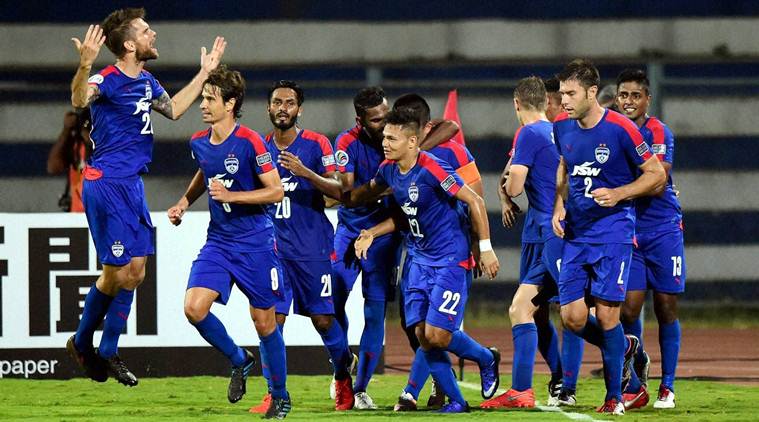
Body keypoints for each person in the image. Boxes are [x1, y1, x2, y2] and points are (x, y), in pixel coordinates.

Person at [65, 7, 226, 387]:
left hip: (132, 184)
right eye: (145, 31)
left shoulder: (147, 81)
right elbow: (79, 100)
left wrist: (204, 74)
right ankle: (83, 343)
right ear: (129, 45)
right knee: (116, 272)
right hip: (106, 184)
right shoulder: (106, 79)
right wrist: (85, 65)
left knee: (136, 272)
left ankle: (107, 350)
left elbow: (174, 110)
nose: (153, 34)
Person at [349, 108, 501, 414]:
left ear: (412, 142)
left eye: (392, 139)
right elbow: (393, 210)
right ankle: (457, 401)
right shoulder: (389, 170)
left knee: (437, 335)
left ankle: (486, 358)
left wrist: (485, 248)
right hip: (418, 260)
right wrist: (369, 231)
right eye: (384, 137)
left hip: (450, 260)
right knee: (422, 335)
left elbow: (475, 200)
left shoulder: (433, 169)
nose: (385, 143)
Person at [167, 66, 291, 419]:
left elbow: (276, 191)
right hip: (219, 242)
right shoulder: (198, 142)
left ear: (231, 103)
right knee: (194, 308)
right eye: (203, 98)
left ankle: (280, 397)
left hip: (256, 243)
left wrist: (232, 196)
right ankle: (239, 359)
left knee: (264, 323)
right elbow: (205, 172)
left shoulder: (251, 142)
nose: (203, 105)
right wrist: (184, 202)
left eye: (210, 98)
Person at [551, 59, 666, 415]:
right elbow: (565, 167)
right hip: (576, 233)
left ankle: (615, 396)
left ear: (591, 92)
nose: (563, 100)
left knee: (607, 317)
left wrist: (619, 193)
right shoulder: (561, 127)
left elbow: (656, 174)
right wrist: (559, 205)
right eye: (561, 93)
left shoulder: (621, 128)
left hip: (613, 233)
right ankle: (627, 347)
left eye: (570, 94)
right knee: (572, 317)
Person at [249, 80, 354, 413]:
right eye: (277, 102)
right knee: (272, 321)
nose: (283, 108)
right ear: (268, 108)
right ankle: (274, 393)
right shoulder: (257, 147)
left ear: (299, 109)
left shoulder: (316, 144)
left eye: (290, 103)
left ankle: (343, 374)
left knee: (323, 320)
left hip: (313, 249)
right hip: (273, 251)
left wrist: (305, 172)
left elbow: (339, 190)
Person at [481, 76, 564, 409]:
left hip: (547, 234)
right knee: (540, 313)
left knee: (525, 309)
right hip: (541, 231)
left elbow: (513, 185)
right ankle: (558, 379)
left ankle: (522, 390)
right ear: (546, 101)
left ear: (517, 104)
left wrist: (507, 192)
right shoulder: (555, 131)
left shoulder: (528, 133)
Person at [616, 68, 685, 410]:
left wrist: (618, 189)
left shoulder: (658, 131)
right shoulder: (611, 131)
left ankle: (667, 385)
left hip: (663, 229)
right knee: (628, 308)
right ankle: (637, 375)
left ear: (647, 99)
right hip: (629, 232)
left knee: (665, 306)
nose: (629, 101)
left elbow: (657, 181)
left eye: (635, 95)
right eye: (623, 95)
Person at [329, 87, 402, 409]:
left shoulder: (397, 138)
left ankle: (359, 389)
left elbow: (446, 128)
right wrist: (385, 186)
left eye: (386, 115)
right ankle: (342, 365)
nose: (384, 124)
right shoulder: (346, 143)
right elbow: (347, 193)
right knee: (332, 305)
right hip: (349, 232)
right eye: (376, 120)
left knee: (374, 314)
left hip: (384, 236)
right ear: (359, 120)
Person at [48, 109, 91, 213]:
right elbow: (53, 167)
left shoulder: (111, 147)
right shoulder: (77, 147)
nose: (87, 135)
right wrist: (66, 131)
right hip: (76, 215)